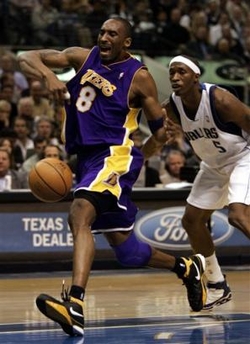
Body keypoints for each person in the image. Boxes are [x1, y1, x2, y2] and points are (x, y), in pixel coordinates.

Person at [18, 18, 207, 337]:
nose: (104, 37)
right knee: (128, 252)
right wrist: (50, 76)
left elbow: (160, 135)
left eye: (112, 34)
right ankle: (187, 268)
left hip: (114, 156)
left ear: (126, 42)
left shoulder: (140, 77)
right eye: (102, 32)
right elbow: (26, 57)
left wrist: (135, 160)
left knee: (79, 214)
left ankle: (74, 305)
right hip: (87, 160)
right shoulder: (82, 56)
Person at [162, 54, 250, 311]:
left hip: (242, 157)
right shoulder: (172, 107)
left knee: (238, 216)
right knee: (191, 220)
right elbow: (153, 125)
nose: (175, 78)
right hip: (213, 166)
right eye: (172, 73)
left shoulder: (220, 100)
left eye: (182, 72)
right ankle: (217, 284)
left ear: (196, 76)